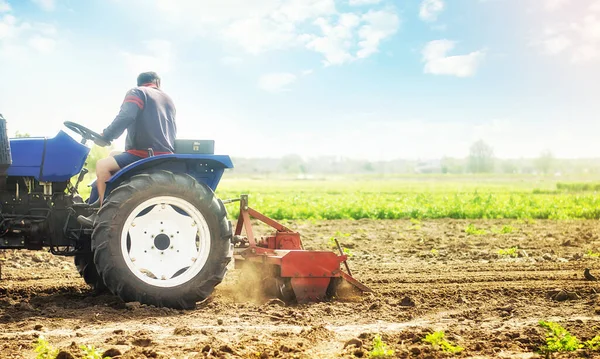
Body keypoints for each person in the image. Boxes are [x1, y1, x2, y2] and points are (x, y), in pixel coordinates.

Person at [78, 71, 177, 227]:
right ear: (157, 83)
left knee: (102, 166)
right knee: (112, 154)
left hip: (144, 154)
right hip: (162, 152)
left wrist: (107, 135)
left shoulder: (138, 92)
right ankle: (101, 198)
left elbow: (126, 116)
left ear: (140, 83)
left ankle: (101, 214)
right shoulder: (167, 99)